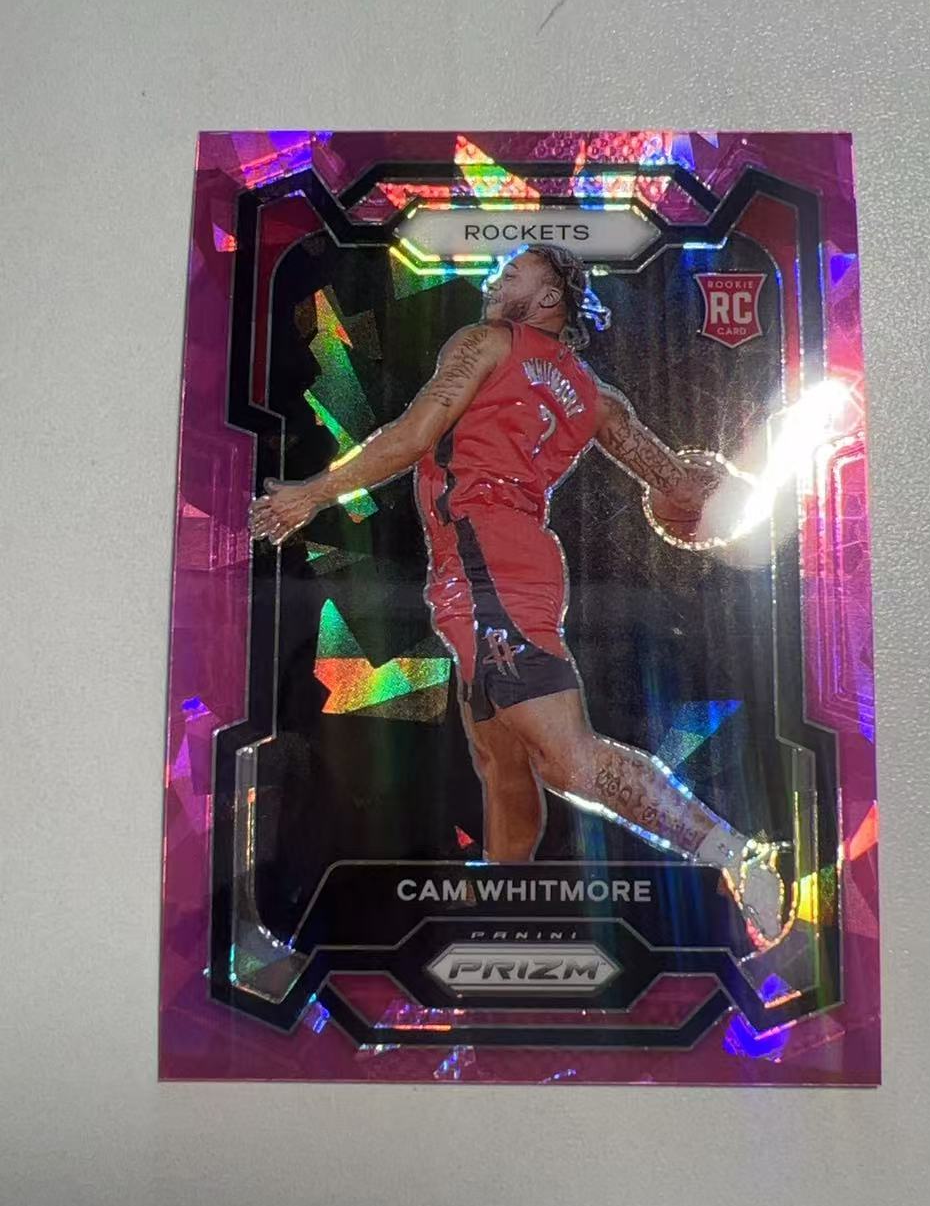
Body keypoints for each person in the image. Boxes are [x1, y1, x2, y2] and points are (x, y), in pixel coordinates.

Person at [250, 246, 788, 947]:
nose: (494, 278)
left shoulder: (487, 341)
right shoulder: (597, 397)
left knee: (565, 758)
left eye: (512, 272)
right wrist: (743, 501)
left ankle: (736, 854)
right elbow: (681, 485)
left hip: (484, 560)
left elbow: (414, 434)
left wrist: (314, 493)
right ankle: (500, 905)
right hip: (515, 558)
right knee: (503, 760)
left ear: (548, 297)